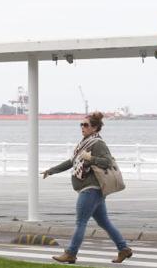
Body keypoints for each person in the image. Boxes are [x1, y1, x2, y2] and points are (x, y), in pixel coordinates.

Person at [42, 112, 132, 264]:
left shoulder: (97, 143)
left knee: (81, 222)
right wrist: (51, 170)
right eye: (81, 124)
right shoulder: (84, 143)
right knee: (104, 222)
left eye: (86, 125)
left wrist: (91, 159)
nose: (82, 127)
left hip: (91, 189)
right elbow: (72, 162)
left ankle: (70, 253)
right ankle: (124, 249)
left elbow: (107, 162)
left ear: (95, 128)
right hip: (93, 190)